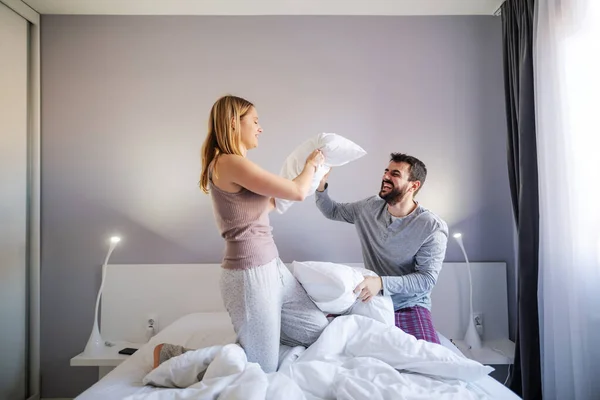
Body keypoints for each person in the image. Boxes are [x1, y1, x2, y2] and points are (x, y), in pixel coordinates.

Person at [153, 95, 329, 373]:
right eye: (255, 121)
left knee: (319, 332)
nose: (260, 128)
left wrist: (314, 179)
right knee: (261, 369)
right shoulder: (228, 163)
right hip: (250, 275)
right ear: (234, 122)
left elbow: (269, 204)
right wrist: (310, 166)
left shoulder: (236, 166)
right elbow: (295, 191)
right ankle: (172, 355)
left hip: (274, 268)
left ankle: (262, 339)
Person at [315, 153, 448, 344]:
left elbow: (426, 280)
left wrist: (381, 283)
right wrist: (320, 186)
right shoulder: (369, 208)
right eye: (386, 171)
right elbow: (332, 211)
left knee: (424, 358)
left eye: (395, 173)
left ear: (414, 185)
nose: (386, 176)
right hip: (371, 300)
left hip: (408, 305)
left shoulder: (431, 227)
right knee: (333, 345)